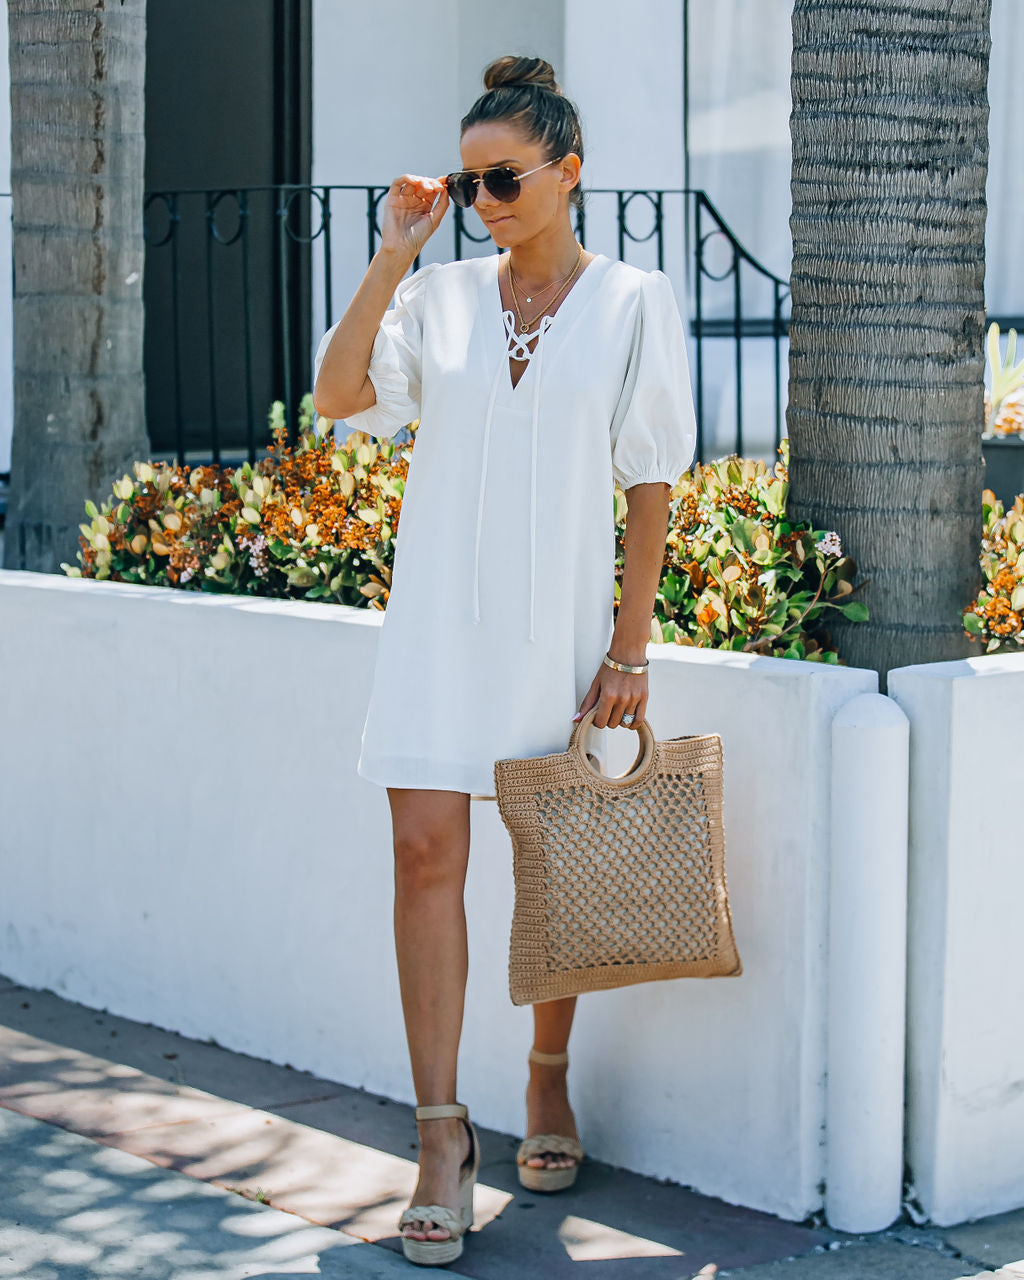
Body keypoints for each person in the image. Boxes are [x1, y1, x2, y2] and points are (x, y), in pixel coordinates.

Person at [312, 53, 696, 1268]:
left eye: (504, 178)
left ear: (568, 172)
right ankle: (440, 1138)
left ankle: (545, 1074)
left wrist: (627, 648)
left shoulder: (635, 300)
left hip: (563, 632)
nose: (483, 200)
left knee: (552, 871)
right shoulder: (441, 299)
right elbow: (334, 397)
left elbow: (651, 485)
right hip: (439, 624)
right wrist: (394, 252)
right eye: (469, 182)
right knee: (425, 853)